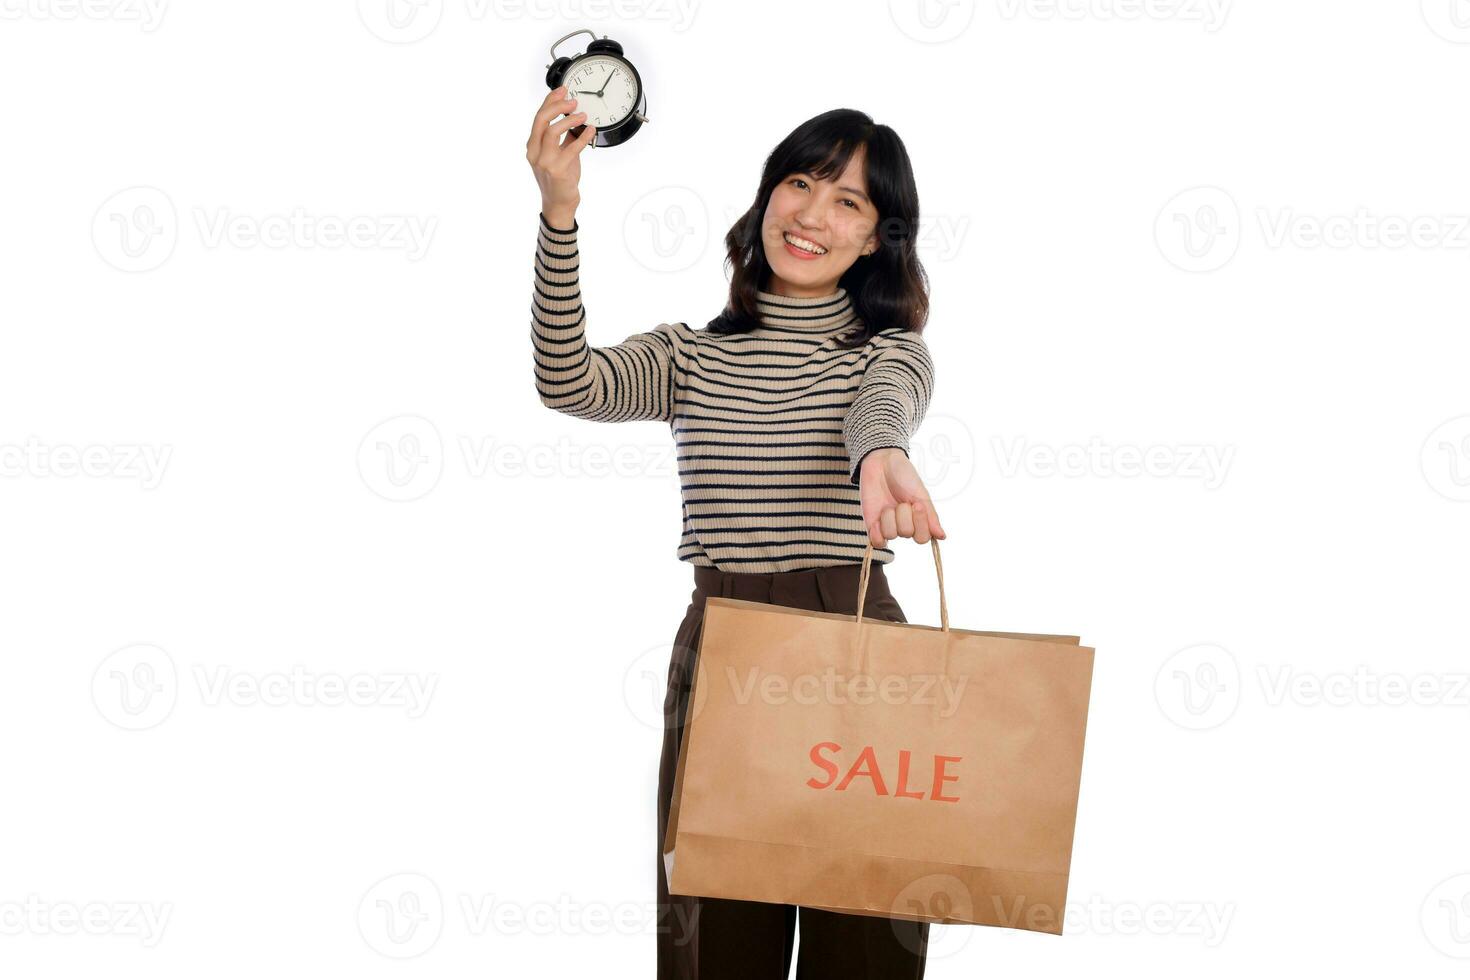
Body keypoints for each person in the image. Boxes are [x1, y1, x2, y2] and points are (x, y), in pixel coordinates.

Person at [526, 85, 945, 979]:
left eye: (848, 202)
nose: (812, 216)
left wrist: (880, 459)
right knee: (717, 942)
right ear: (767, 199)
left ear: (876, 237)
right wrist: (560, 215)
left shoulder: (886, 350)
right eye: (800, 184)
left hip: (858, 644)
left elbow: (882, 409)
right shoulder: (691, 356)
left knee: (864, 946)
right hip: (727, 647)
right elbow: (568, 381)